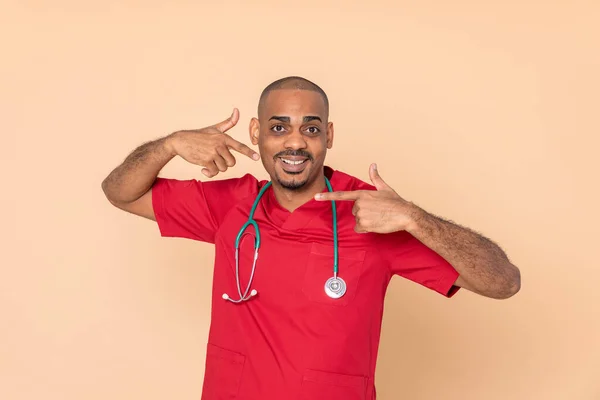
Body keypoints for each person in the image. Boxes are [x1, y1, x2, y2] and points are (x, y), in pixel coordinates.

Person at [101, 76, 521, 400]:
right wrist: (171, 144)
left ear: (329, 136)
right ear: (256, 132)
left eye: (312, 129)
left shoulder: (373, 216)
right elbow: (121, 191)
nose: (295, 142)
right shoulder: (231, 203)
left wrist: (415, 218)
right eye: (279, 127)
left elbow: (503, 283)